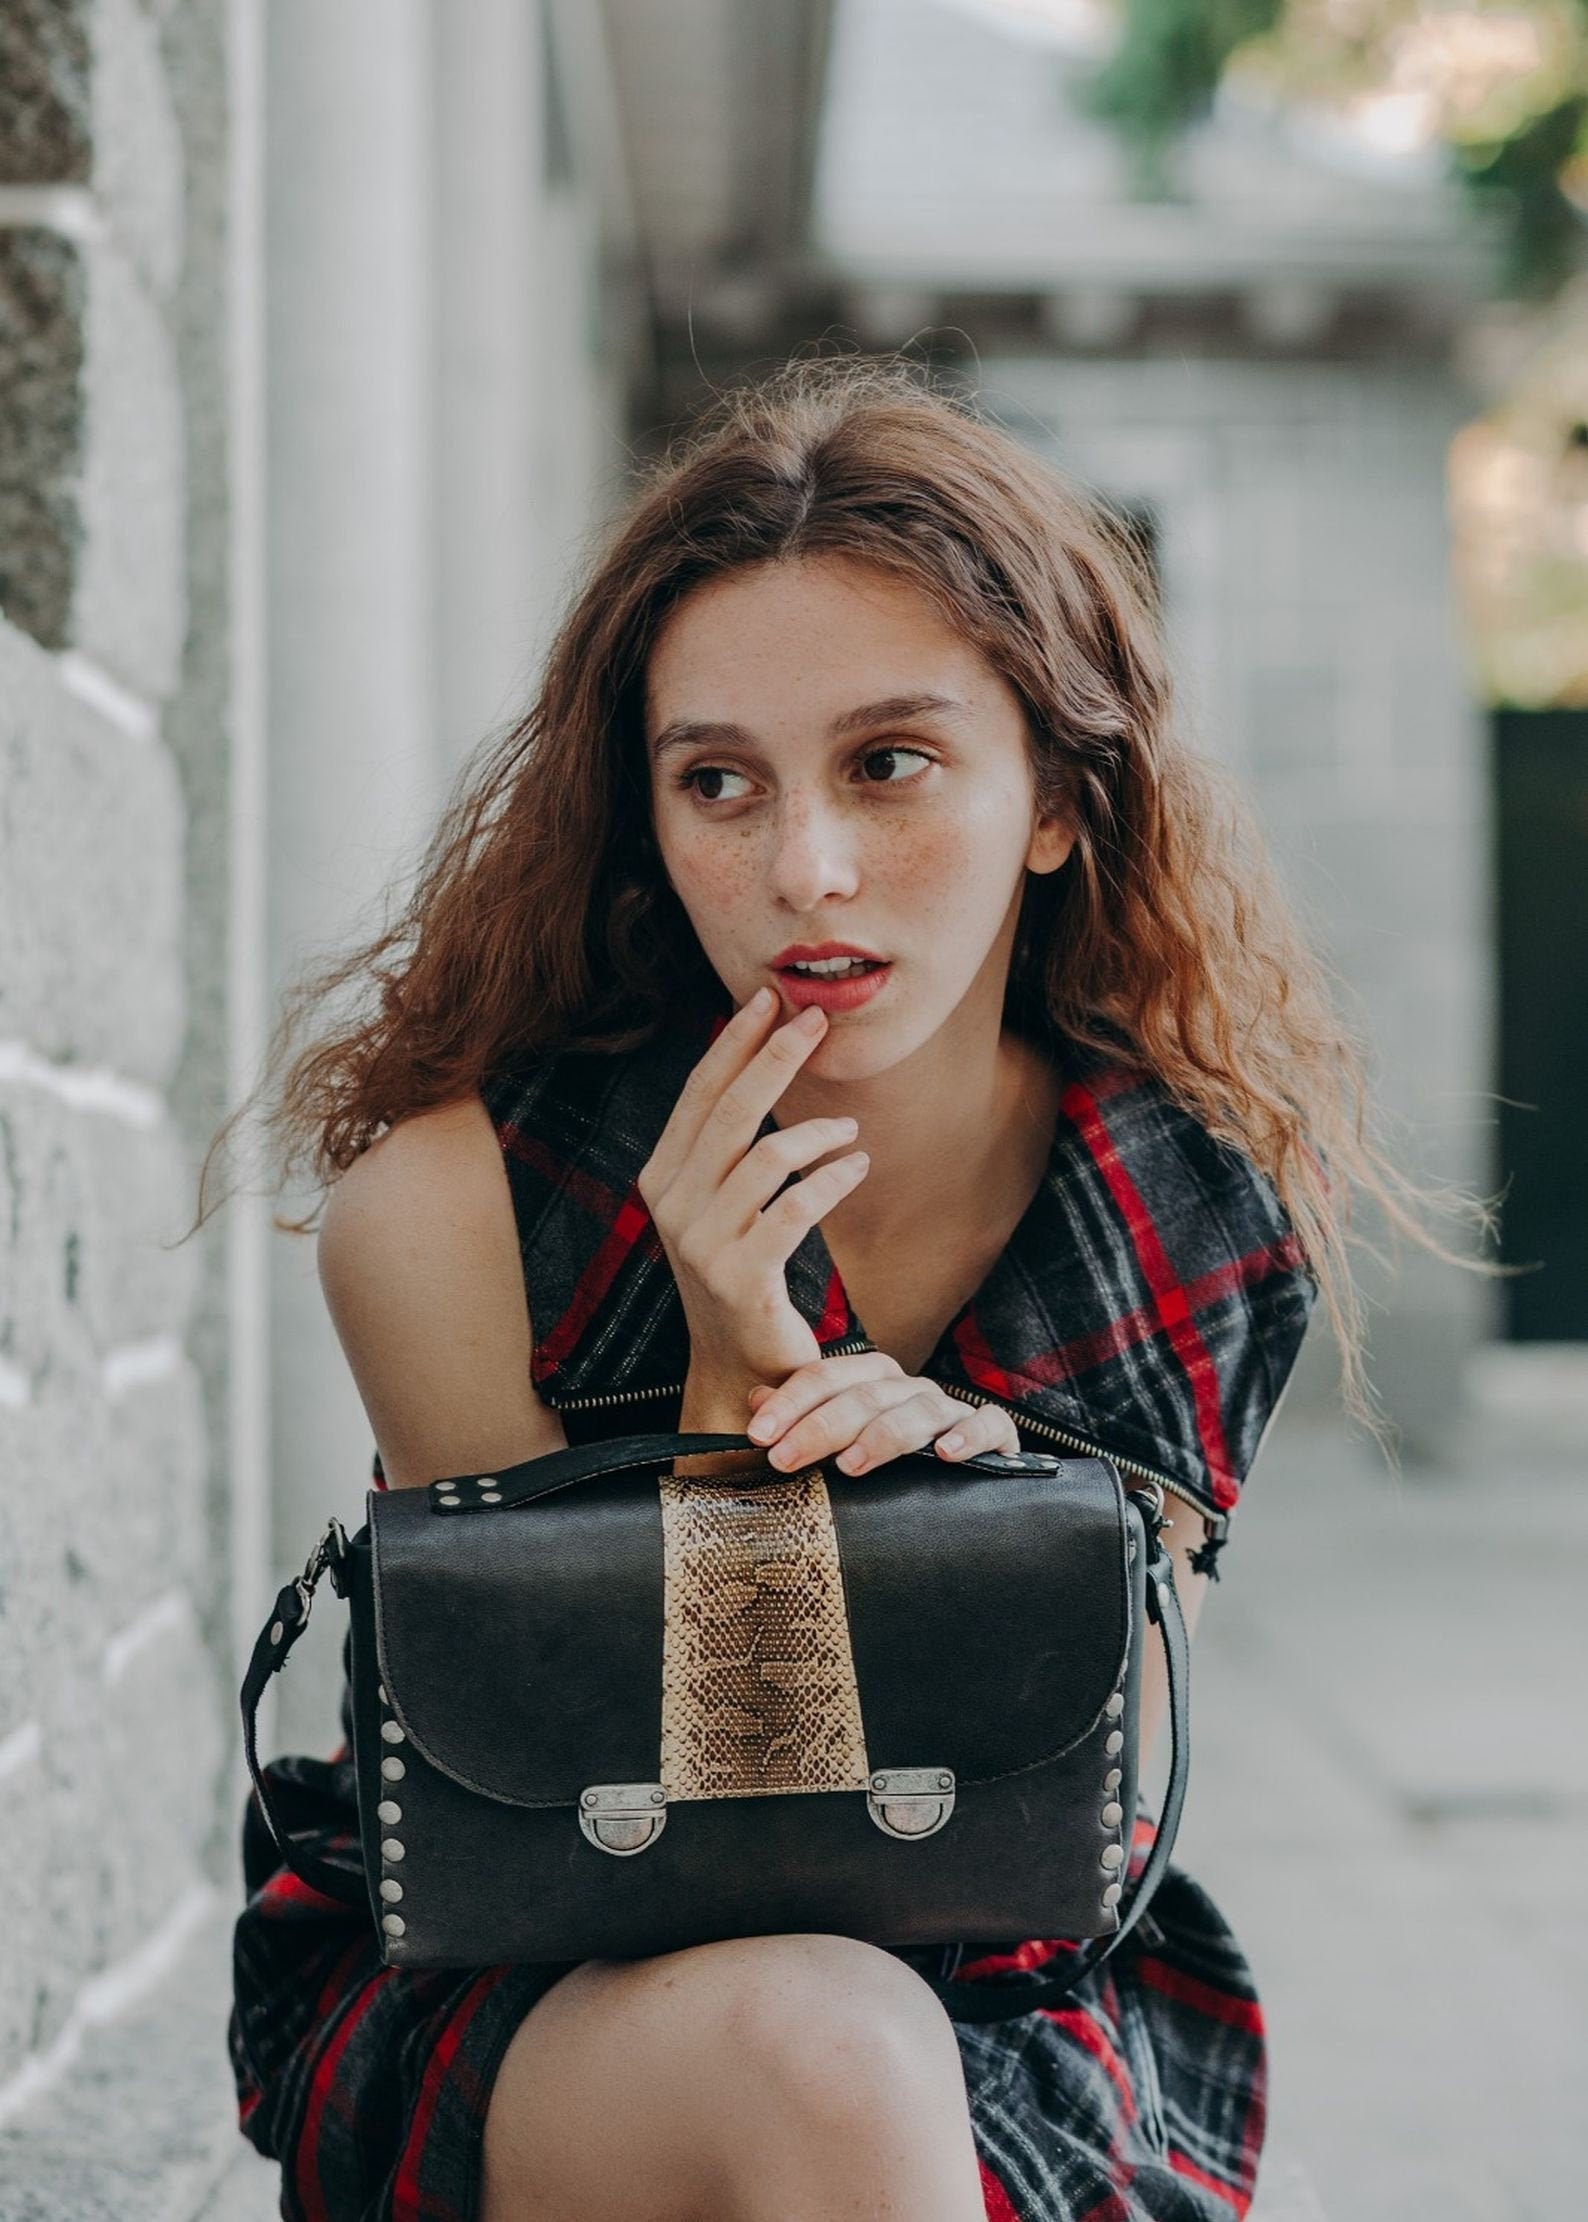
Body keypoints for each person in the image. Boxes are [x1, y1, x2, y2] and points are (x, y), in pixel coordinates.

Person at [208, 355, 1494, 2220]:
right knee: (822, 2048)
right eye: (717, 781)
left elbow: (1073, 1823)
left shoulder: (1182, 1205)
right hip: (520, 1993)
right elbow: (588, 1843)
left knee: (864, 2055)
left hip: (995, 1989)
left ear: (1056, 798)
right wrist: (743, 1425)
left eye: (889, 764)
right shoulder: (451, 1201)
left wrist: (995, 1510)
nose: (804, 868)